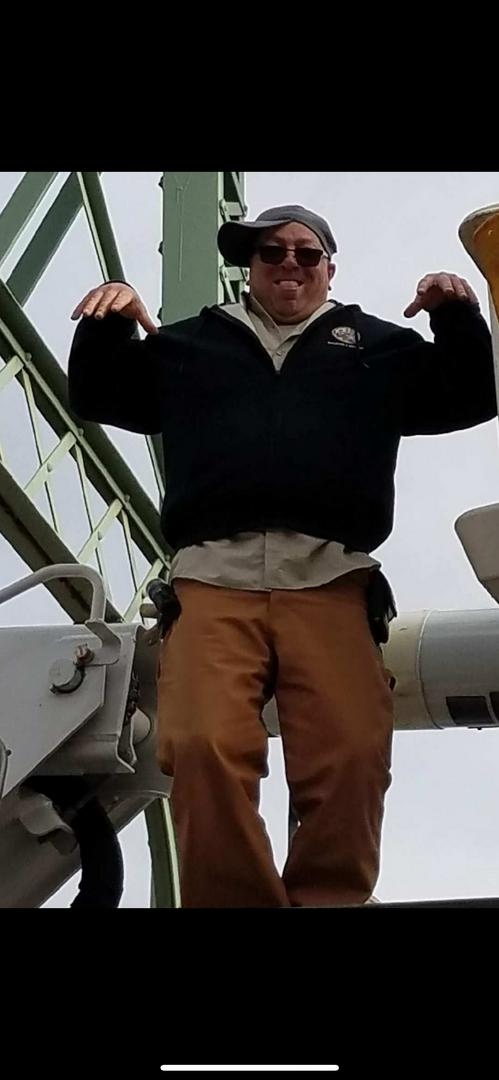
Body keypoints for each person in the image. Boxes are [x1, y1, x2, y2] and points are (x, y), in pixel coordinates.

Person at [68, 204, 496, 907]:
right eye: (271, 253)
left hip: (331, 578)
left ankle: (328, 899)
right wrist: (108, 320)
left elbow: (470, 396)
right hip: (213, 578)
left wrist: (455, 315)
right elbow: (99, 393)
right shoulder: (191, 346)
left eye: (305, 253)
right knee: (200, 743)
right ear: (250, 268)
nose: (289, 264)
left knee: (352, 752)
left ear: (330, 268)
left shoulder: (374, 348)